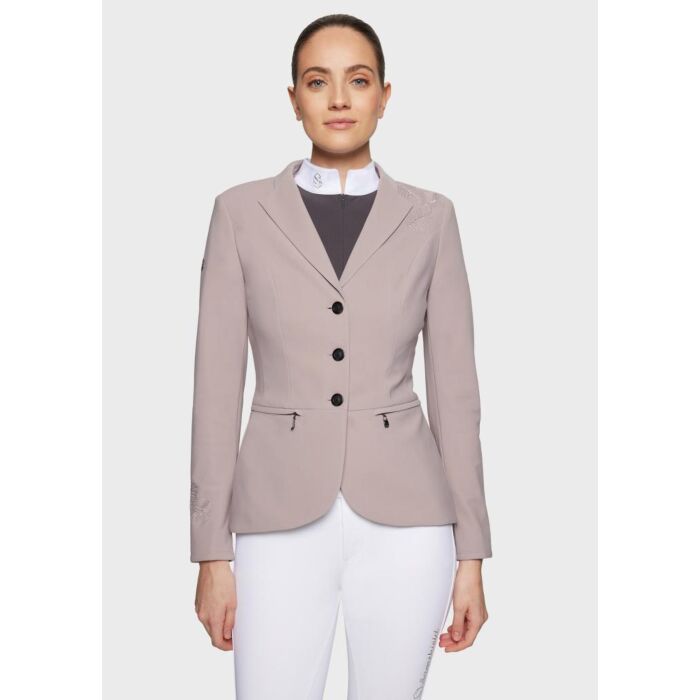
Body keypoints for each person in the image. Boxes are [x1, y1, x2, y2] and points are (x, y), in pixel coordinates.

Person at [190, 13, 493, 699]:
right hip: (273, 514)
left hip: (411, 521)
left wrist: (472, 554)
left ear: (384, 96)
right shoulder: (239, 214)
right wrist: (210, 552)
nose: (338, 99)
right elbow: (214, 392)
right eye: (316, 81)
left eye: (357, 81)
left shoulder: (431, 218)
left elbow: (456, 394)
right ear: (293, 98)